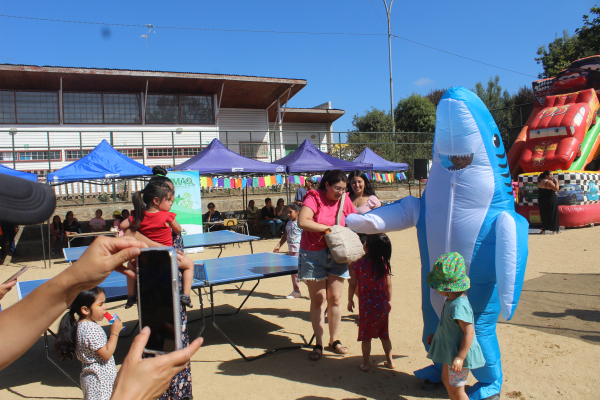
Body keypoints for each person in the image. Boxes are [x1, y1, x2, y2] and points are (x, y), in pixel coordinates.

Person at [0, 173, 204, 399]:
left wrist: (75, 277)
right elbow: (148, 231)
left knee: (135, 275)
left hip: (152, 270)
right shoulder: (164, 218)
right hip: (161, 273)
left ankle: (130, 295)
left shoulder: (143, 217)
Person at [297, 169, 356, 360]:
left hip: (337, 253)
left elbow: (354, 220)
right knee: (319, 300)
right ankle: (319, 343)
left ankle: (335, 340)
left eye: (343, 189)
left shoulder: (345, 199)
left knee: (336, 299)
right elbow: (302, 221)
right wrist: (328, 229)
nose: (340, 192)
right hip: (313, 253)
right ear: (327, 185)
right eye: (337, 188)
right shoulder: (314, 197)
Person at [120, 179, 195, 308]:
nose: (171, 203)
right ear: (156, 201)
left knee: (130, 267)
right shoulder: (167, 216)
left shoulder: (139, 215)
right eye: (169, 200)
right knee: (189, 265)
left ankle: (131, 296)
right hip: (167, 256)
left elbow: (122, 225)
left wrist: (135, 217)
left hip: (145, 256)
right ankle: (186, 296)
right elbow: (178, 229)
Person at [426, 252, 486, 400]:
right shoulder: (452, 301)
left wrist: (460, 357)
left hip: (458, 353)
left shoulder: (459, 306)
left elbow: (469, 332)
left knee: (457, 391)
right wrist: (437, 336)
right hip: (450, 352)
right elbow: (450, 326)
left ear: (447, 287)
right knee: (447, 381)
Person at [54, 287, 122, 399]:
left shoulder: (81, 326)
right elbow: (106, 354)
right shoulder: (91, 329)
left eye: (104, 303)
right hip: (100, 382)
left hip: (92, 380)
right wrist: (115, 333)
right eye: (100, 305)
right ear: (85, 310)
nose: (105, 307)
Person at [347, 233, 394, 372]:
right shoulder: (383, 264)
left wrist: (350, 299)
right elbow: (389, 285)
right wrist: (389, 300)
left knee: (366, 335)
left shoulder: (359, 264)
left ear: (368, 247)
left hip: (366, 303)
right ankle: (390, 361)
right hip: (382, 302)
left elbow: (352, 284)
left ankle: (366, 364)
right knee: (384, 334)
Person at [273, 203, 303, 298]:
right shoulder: (289, 223)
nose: (288, 214)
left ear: (297, 212)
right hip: (291, 250)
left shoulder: (301, 223)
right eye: (287, 213)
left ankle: (312, 288)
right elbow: (285, 236)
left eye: (290, 212)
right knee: (293, 271)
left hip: (299, 250)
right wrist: (279, 245)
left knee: (296, 271)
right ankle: (296, 291)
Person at [537, 170, 560, 234]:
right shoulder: (548, 182)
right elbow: (556, 189)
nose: (552, 176)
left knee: (544, 214)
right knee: (553, 213)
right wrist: (556, 182)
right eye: (550, 175)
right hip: (550, 198)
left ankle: (544, 229)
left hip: (542, 199)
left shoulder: (540, 180)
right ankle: (554, 229)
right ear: (546, 176)